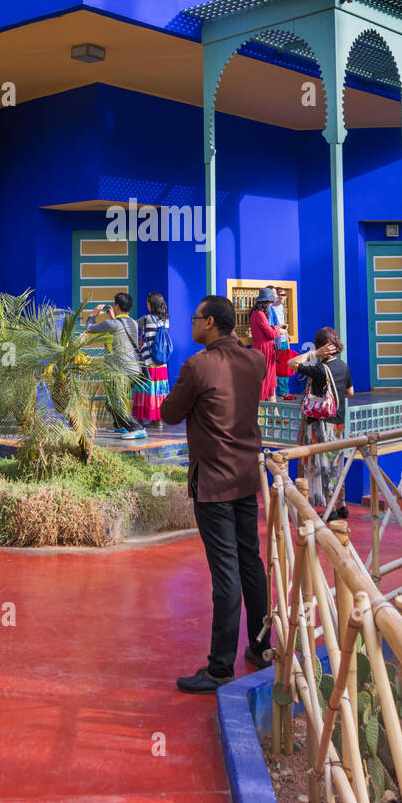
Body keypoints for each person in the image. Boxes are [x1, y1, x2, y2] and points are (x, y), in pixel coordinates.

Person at [161, 294, 269, 693]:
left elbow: (170, 413)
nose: (191, 324)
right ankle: (260, 648)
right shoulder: (254, 361)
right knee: (251, 564)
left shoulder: (197, 366)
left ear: (209, 323)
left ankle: (220, 667)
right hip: (245, 476)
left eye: (195, 318)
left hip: (213, 483)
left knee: (225, 573)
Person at [288, 328, 354, 518]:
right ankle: (341, 504)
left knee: (322, 465)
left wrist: (313, 354)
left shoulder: (319, 370)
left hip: (320, 423)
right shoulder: (344, 366)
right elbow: (350, 393)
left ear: (321, 347)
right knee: (336, 464)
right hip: (338, 422)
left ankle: (331, 508)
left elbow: (291, 363)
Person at [84, 292, 146, 440]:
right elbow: (120, 332)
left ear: (117, 305)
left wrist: (94, 315)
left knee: (114, 402)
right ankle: (120, 426)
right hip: (135, 371)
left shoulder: (112, 324)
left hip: (120, 371)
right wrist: (113, 317)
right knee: (112, 402)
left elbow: (89, 329)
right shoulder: (133, 323)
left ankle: (136, 428)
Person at [133, 292, 172, 428]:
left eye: (148, 302)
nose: (146, 304)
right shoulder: (166, 320)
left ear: (152, 304)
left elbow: (131, 326)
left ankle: (139, 419)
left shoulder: (146, 319)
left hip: (148, 361)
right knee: (159, 391)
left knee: (144, 389)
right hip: (161, 363)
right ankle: (157, 420)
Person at [249, 286, 284, 402]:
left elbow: (266, 329)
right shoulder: (259, 314)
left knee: (270, 380)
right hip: (264, 350)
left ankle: (275, 412)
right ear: (265, 302)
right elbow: (269, 334)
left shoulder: (256, 313)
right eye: (269, 303)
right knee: (265, 380)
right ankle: (263, 412)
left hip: (264, 349)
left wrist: (277, 327)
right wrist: (280, 331)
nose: (270, 305)